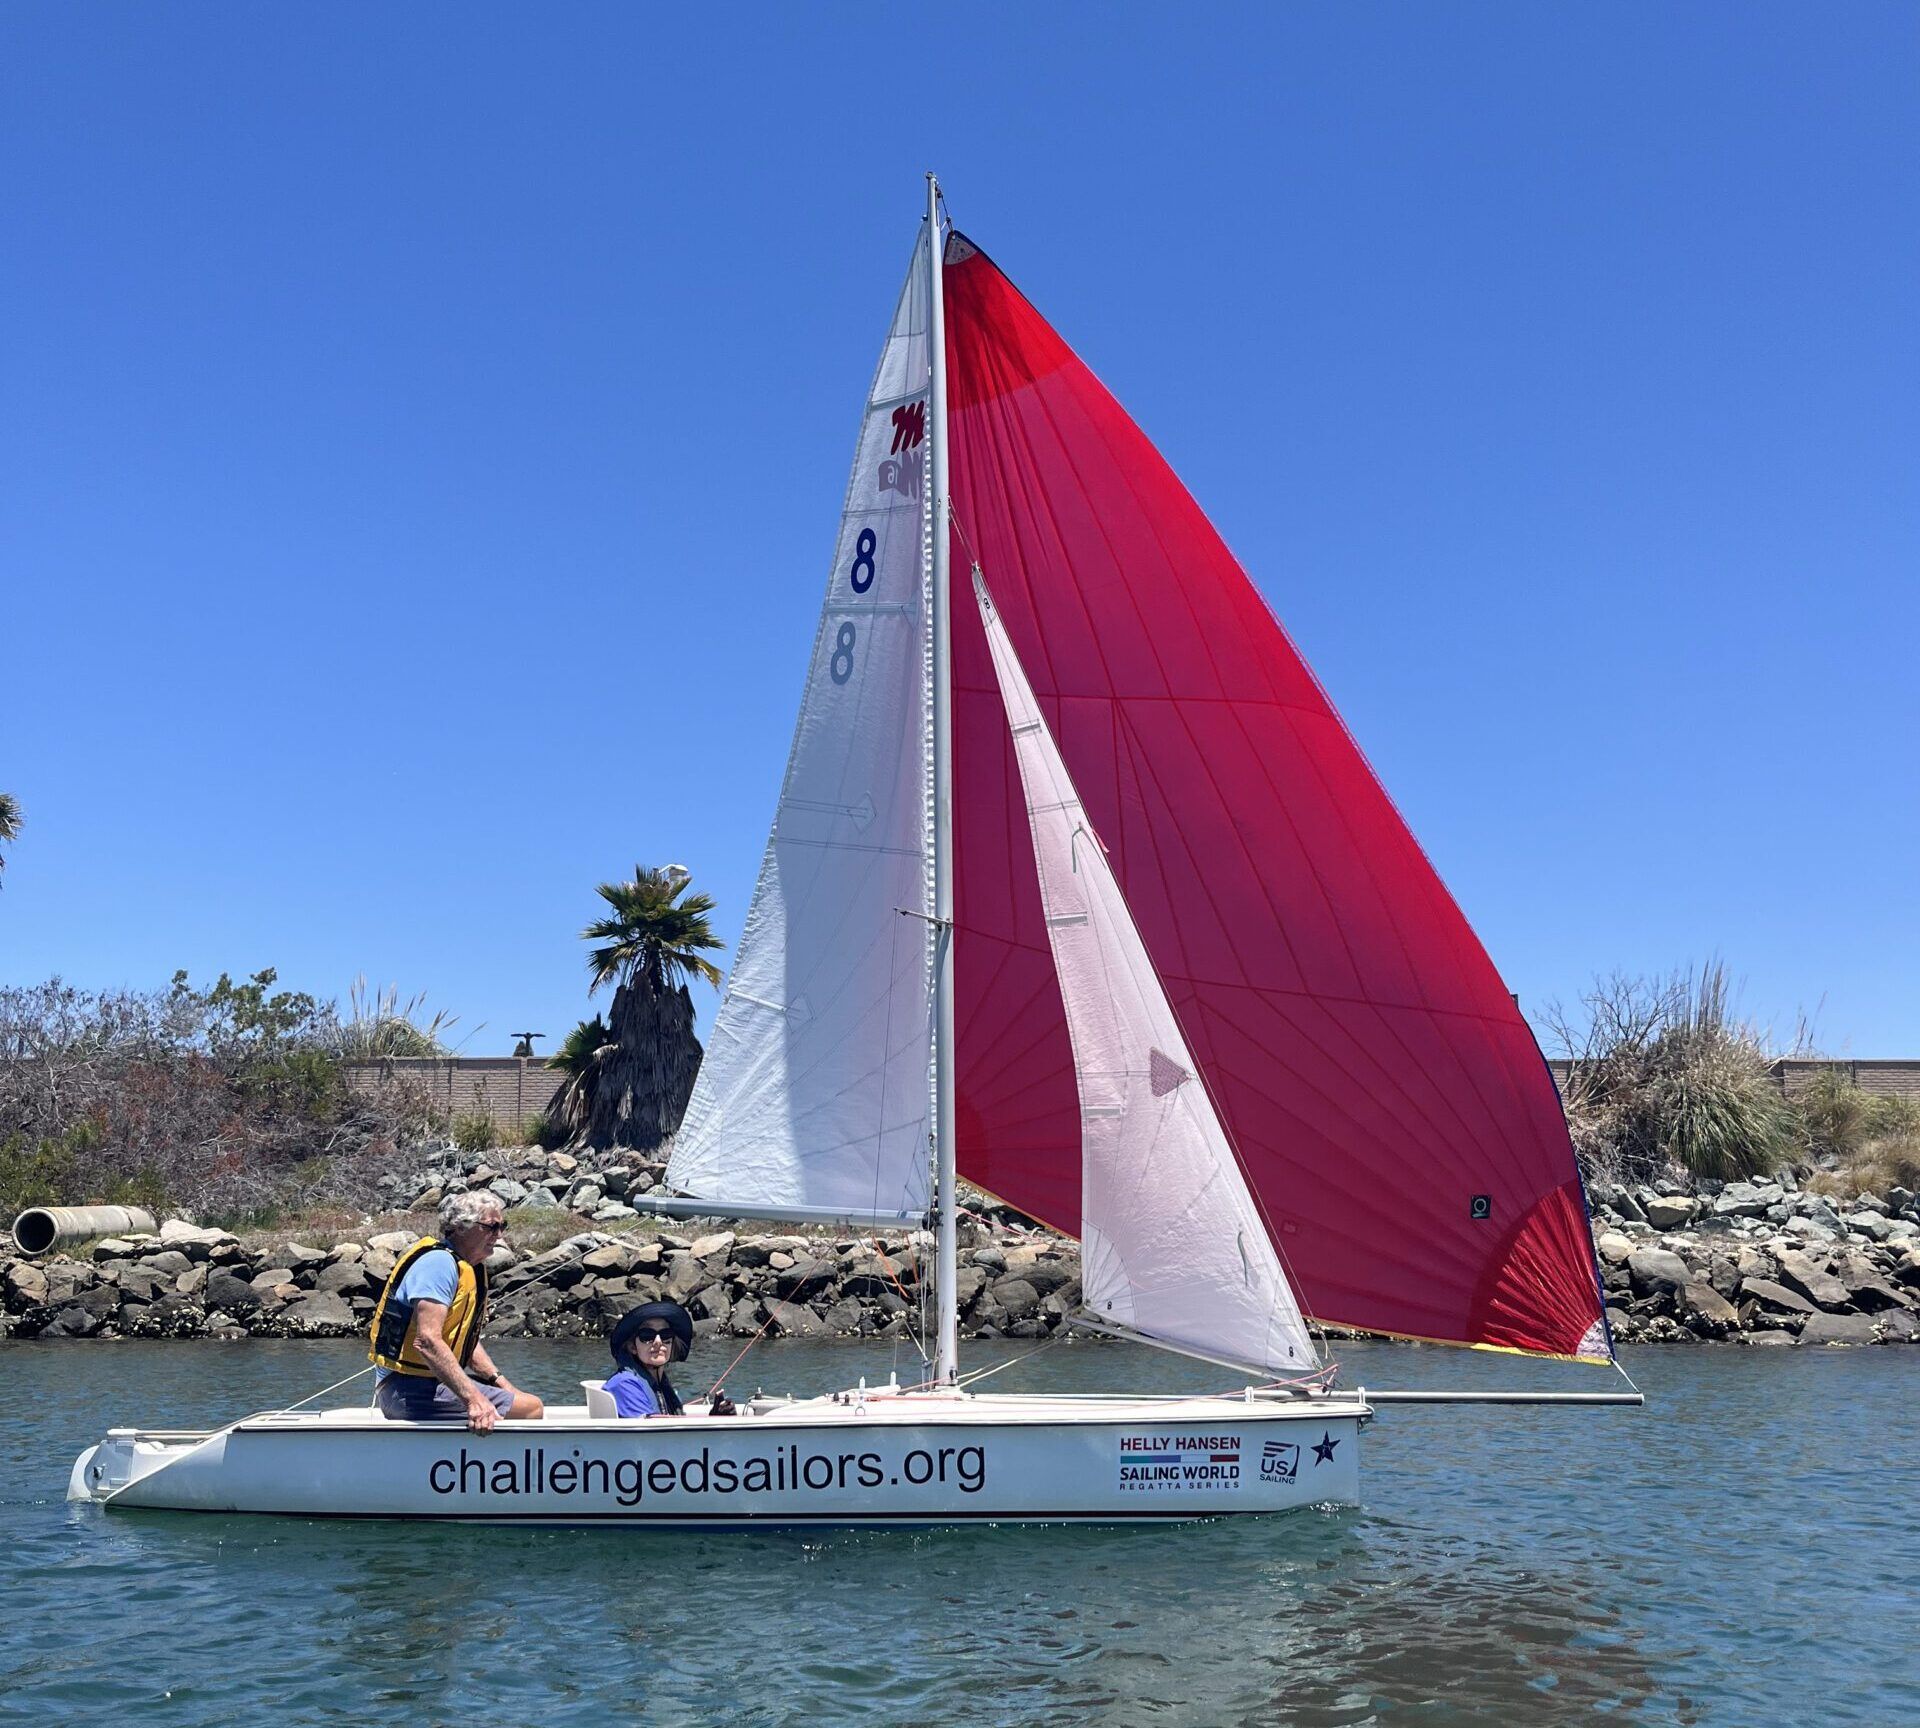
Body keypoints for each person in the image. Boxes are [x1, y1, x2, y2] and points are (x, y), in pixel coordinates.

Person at [368, 1190, 543, 1431]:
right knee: (531, 1409)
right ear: (462, 1227)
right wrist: (474, 1400)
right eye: (492, 1227)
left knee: (523, 1401)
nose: (499, 1234)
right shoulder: (438, 1264)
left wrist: (502, 1384)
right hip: (407, 1391)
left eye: (503, 1225)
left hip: (422, 1385)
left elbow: (463, 1343)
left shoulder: (469, 1267)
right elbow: (427, 1341)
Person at [605, 1300, 736, 1418]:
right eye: (647, 1335)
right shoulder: (624, 1384)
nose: (658, 1342)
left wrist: (716, 1417)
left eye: (665, 1335)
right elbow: (653, 1436)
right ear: (632, 1346)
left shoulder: (661, 1385)